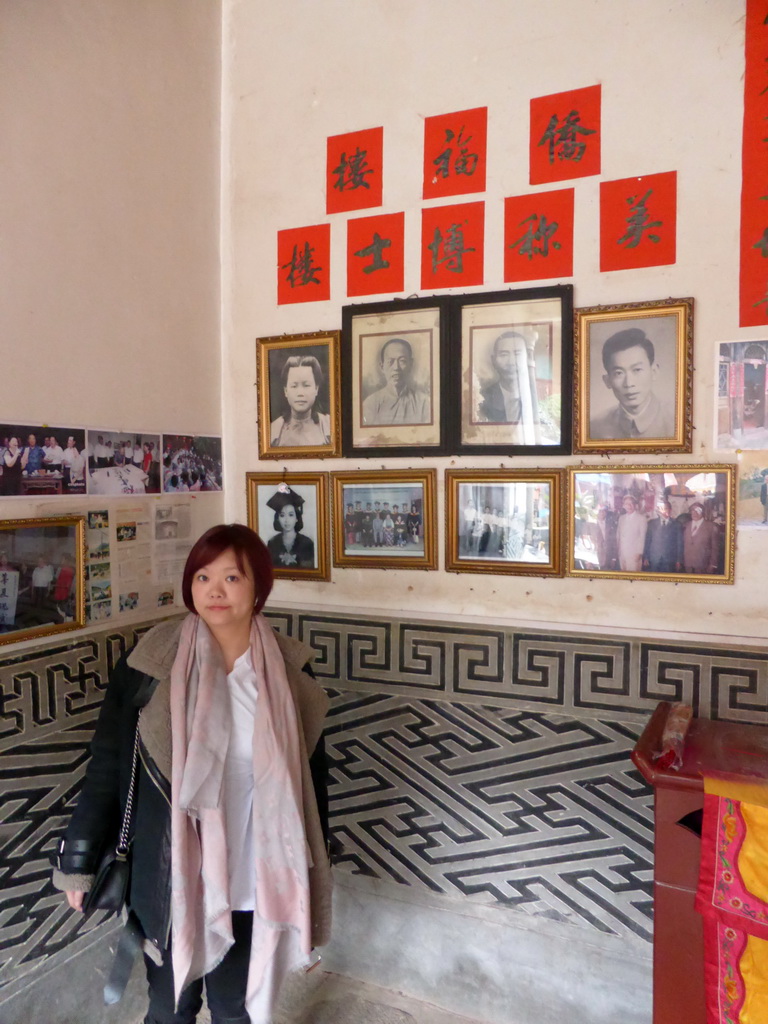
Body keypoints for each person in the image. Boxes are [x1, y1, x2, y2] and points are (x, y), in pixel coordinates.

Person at [53, 524, 331, 1024]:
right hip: (170, 872)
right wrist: (79, 859)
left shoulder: (289, 675)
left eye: (231, 577)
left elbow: (313, 784)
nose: (215, 591)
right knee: (171, 1007)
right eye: (202, 577)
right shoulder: (149, 667)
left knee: (234, 1009)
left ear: (258, 588)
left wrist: (313, 875)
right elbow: (107, 766)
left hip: (256, 877)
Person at [590, 328, 674, 441]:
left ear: (654, 372)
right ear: (607, 380)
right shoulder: (594, 427)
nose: (629, 383)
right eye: (619, 373)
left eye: (637, 370)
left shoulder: (677, 419)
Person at [361, 338, 430, 426]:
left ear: (411, 364)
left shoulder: (424, 403)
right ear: (382, 367)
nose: (396, 367)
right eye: (390, 362)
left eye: (402, 361)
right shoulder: (370, 404)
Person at [270, 355, 331, 448]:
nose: (300, 393)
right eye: (294, 386)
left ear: (316, 389)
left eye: (306, 385)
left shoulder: (329, 427)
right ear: (286, 391)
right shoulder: (273, 431)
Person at [478, 331, 530, 423]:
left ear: (527, 358)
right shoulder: (482, 399)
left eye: (517, 354)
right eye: (504, 355)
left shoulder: (538, 396)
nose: (511, 362)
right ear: (493, 360)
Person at [266, 487, 315, 568]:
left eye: (291, 515)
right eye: (282, 515)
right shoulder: (272, 543)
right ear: (277, 518)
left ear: (297, 518)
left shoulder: (307, 543)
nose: (286, 520)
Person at [643, 499, 683, 573]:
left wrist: (678, 560)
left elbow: (679, 544)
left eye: (666, 508)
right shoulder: (652, 523)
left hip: (670, 559)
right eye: (661, 509)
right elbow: (648, 541)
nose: (663, 511)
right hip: (654, 557)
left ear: (670, 510)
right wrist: (646, 557)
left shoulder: (677, 524)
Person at [682, 502, 719, 574]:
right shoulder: (685, 525)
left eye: (698, 510)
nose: (695, 513)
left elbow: (715, 548)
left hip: (703, 564)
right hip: (687, 564)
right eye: (693, 510)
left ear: (703, 512)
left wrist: (713, 564)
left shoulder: (711, 527)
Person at [616, 494, 647, 572]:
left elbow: (642, 537)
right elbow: (618, 535)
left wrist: (639, 552)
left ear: (635, 505)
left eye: (631, 503)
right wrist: (618, 550)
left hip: (634, 554)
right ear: (624, 505)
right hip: (622, 553)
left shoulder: (641, 518)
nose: (629, 506)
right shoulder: (621, 518)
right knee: (623, 576)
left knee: (633, 578)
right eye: (626, 504)